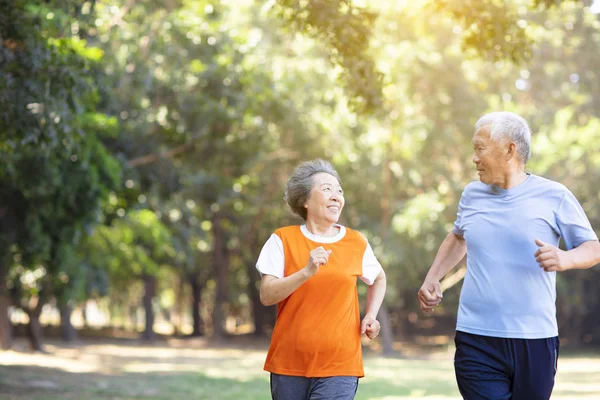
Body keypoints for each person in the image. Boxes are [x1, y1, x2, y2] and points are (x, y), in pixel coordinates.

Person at [418, 111, 600, 400]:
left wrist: (565, 258)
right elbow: (458, 236)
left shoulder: (555, 195)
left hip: (535, 339)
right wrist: (432, 277)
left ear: (509, 149)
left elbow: (593, 248)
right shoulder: (472, 194)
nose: (474, 158)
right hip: (476, 337)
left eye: (480, 148)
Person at [256, 158, 387, 400]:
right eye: (326, 189)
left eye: (339, 190)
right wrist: (306, 271)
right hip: (289, 362)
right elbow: (267, 294)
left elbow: (378, 278)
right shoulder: (282, 240)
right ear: (305, 200)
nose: (336, 195)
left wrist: (370, 315)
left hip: (340, 363)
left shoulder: (356, 242)